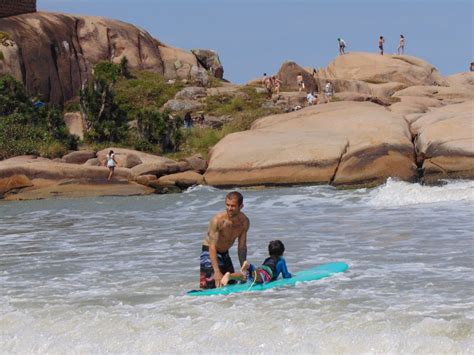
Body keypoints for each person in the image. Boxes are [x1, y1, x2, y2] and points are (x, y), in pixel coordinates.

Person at [200, 191, 250, 289]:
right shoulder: (218, 220)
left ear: (241, 206)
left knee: (231, 284)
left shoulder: (244, 222)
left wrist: (243, 269)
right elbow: (212, 245)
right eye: (227, 205)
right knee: (212, 285)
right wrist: (217, 271)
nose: (229, 208)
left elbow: (242, 247)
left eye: (233, 206)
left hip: (224, 253)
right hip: (209, 251)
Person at [221, 240, 291, 286]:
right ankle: (250, 266)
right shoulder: (281, 260)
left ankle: (230, 276)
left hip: (261, 269)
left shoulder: (267, 259)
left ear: (269, 252)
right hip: (266, 272)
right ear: (282, 252)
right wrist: (290, 275)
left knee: (246, 276)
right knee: (257, 277)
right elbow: (286, 275)